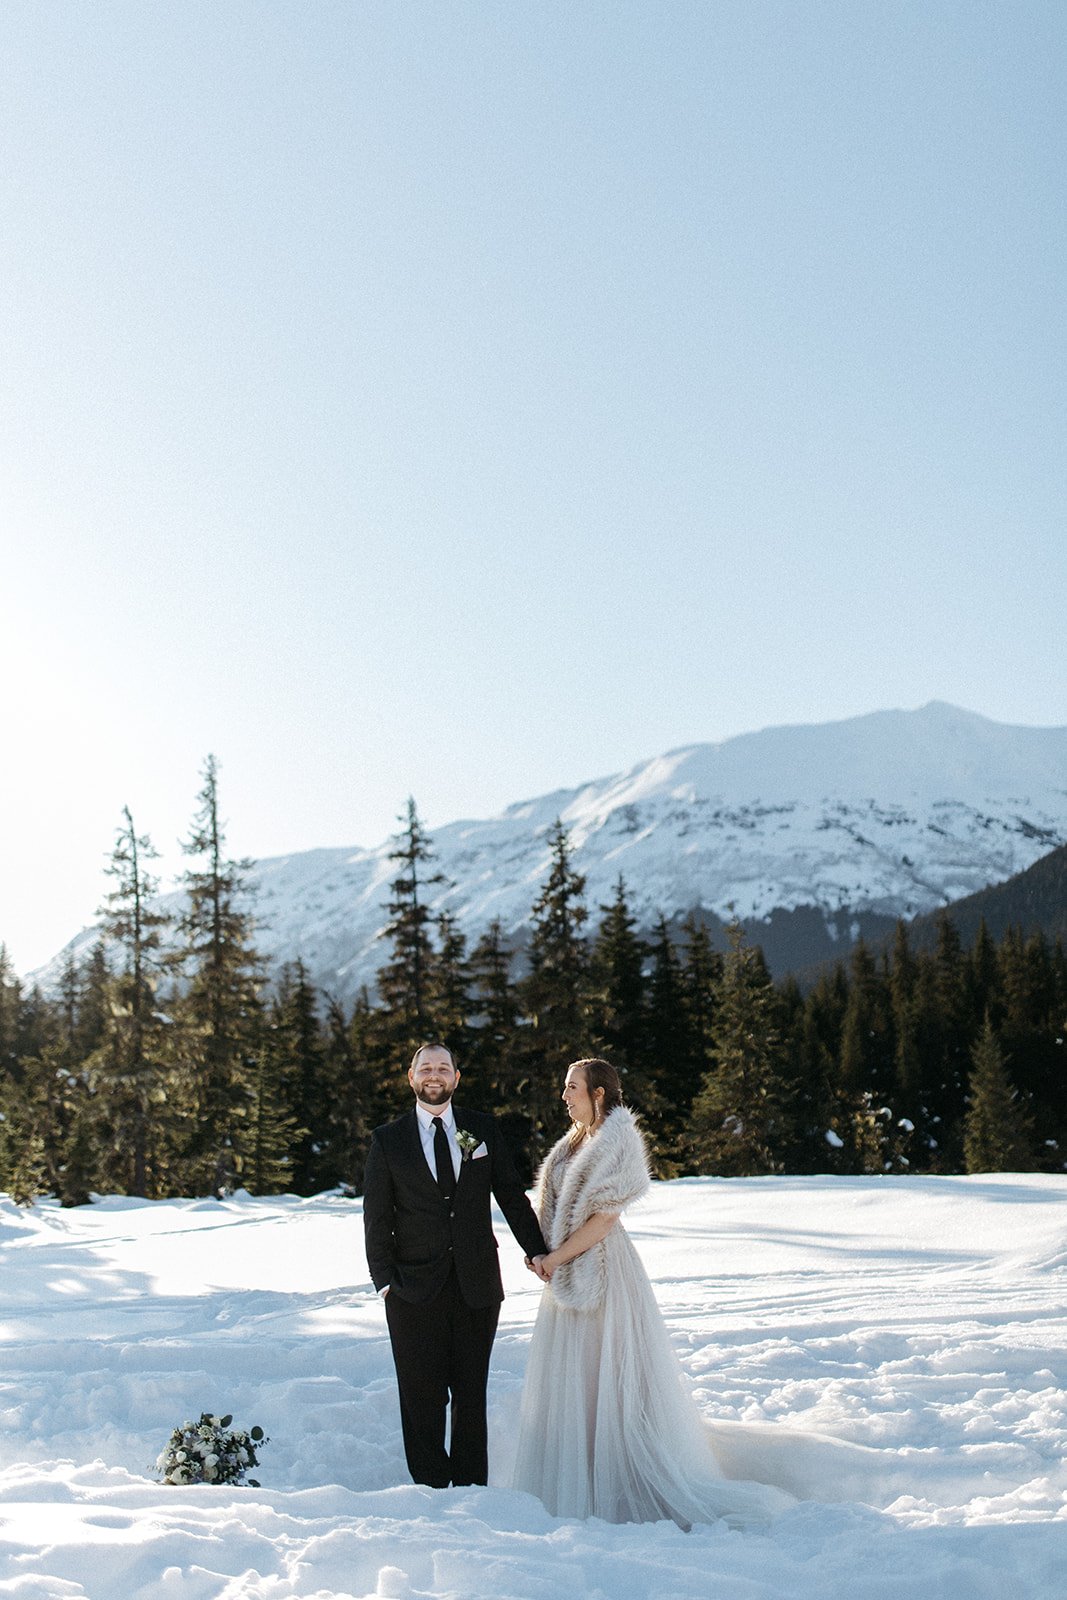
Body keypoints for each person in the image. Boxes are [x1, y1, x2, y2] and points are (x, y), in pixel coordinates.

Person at [512, 1057, 792, 1528]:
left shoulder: (616, 1140)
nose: (564, 1096)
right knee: (575, 1377)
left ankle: (620, 1477)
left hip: (602, 1270)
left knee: (607, 1373)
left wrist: (555, 1259)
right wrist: (542, 1251)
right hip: (566, 1272)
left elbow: (604, 1220)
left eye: (573, 1088)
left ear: (599, 1093)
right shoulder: (572, 1142)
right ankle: (580, 1472)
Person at [363, 1042, 548, 1489]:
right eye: (425, 1068)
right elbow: (376, 1216)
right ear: (411, 1078)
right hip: (410, 1290)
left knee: (470, 1395)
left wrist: (538, 1251)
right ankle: (430, 1490)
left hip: (477, 1286)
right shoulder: (387, 1140)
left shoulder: (482, 1129)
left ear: (456, 1078)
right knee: (421, 1397)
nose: (434, 1075)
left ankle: (470, 1493)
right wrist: (384, 1281)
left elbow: (510, 1195)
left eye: (442, 1068)